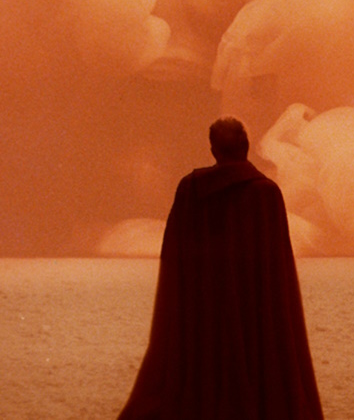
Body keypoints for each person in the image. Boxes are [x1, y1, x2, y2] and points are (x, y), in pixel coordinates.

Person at [118, 117, 324, 419]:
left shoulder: (191, 190)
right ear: (246, 146)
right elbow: (278, 276)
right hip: (255, 316)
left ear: (213, 149)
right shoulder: (266, 194)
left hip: (202, 313)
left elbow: (176, 260)